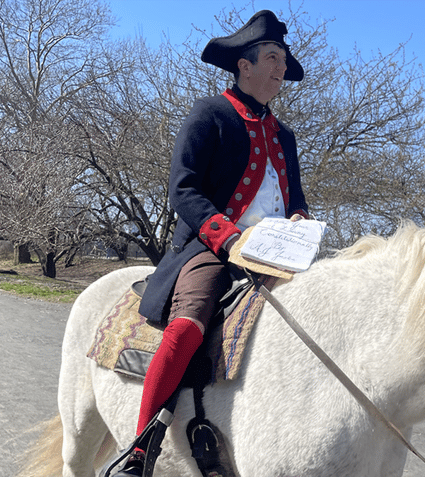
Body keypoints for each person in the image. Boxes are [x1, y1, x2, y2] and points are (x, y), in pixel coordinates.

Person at [114, 10, 308, 477]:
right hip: (211, 246)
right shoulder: (210, 114)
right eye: (273, 58)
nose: (282, 69)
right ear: (244, 65)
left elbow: (296, 200)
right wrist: (229, 237)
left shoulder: (285, 135)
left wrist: (301, 226)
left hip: (278, 254)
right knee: (190, 322)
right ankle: (142, 450)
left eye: (284, 60)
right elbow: (183, 189)